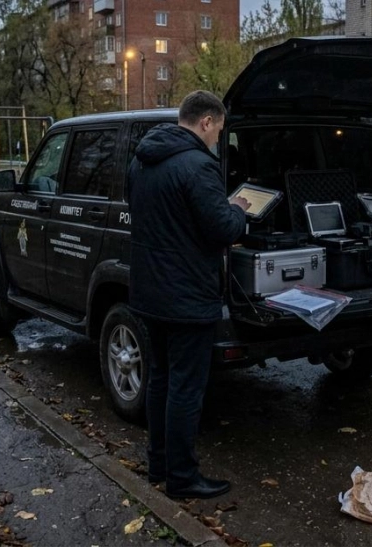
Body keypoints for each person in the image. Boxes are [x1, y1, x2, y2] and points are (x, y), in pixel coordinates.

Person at [126, 90, 250, 500]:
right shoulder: (198, 165)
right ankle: (182, 477)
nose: (217, 140)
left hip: (150, 291)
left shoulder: (142, 160)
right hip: (187, 295)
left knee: (160, 378)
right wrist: (239, 210)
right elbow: (222, 229)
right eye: (219, 131)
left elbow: (160, 218)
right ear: (207, 122)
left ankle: (158, 464)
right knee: (185, 387)